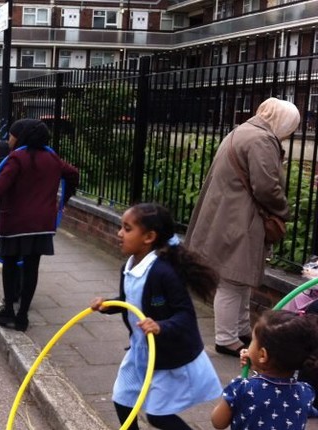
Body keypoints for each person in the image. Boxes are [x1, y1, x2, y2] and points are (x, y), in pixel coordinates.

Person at [184, 97, 301, 357]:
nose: (289, 132)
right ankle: (226, 338)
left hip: (227, 215)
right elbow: (266, 187)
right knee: (232, 281)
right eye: (291, 126)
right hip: (239, 220)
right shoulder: (261, 140)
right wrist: (283, 210)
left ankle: (239, 330)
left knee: (238, 279)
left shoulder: (243, 131)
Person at [90, 203, 221, 430]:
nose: (119, 233)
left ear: (149, 237)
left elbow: (186, 315)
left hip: (168, 355)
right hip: (140, 349)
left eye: (127, 228)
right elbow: (128, 302)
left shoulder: (163, 272)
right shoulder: (128, 267)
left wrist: (161, 326)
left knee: (158, 416)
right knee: (122, 401)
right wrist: (107, 306)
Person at [0, 119, 78, 331]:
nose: (10, 139)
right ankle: (23, 316)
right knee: (32, 268)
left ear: (22, 137)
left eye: (13, 135)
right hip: (42, 224)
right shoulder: (52, 158)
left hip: (15, 223)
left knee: (10, 265)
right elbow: (73, 174)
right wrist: (63, 202)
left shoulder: (17, 158)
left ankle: (9, 311)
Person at [211, 310, 318, 429]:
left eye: (252, 340)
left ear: (262, 355)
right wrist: (256, 365)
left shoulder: (242, 387)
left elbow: (218, 422)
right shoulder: (306, 392)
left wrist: (239, 384)